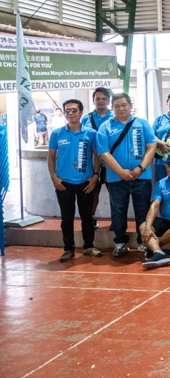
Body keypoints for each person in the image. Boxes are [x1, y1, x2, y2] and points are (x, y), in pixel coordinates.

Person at [97, 92, 157, 257]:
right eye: (116, 106)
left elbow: (151, 146)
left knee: (142, 210)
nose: (121, 109)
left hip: (142, 177)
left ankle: (143, 242)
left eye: (124, 105)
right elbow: (104, 153)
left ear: (131, 105)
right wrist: (121, 172)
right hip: (116, 178)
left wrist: (141, 168)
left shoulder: (142, 124)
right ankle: (120, 242)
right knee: (118, 211)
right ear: (112, 108)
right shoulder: (105, 127)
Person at [47, 99, 101, 262]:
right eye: (67, 111)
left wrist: (95, 176)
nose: (70, 113)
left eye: (74, 110)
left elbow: (97, 156)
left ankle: (89, 246)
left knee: (87, 217)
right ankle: (68, 249)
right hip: (64, 184)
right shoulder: (57, 134)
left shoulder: (91, 134)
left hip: (86, 183)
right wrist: (54, 177)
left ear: (81, 113)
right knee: (66, 218)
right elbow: (50, 157)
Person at [82, 87, 113, 228]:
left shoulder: (115, 117)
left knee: (115, 193)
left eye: (104, 99)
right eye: (98, 99)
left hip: (113, 163)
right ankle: (91, 219)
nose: (100, 101)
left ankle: (117, 221)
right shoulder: (85, 118)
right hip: (93, 163)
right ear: (93, 100)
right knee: (93, 192)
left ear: (108, 100)